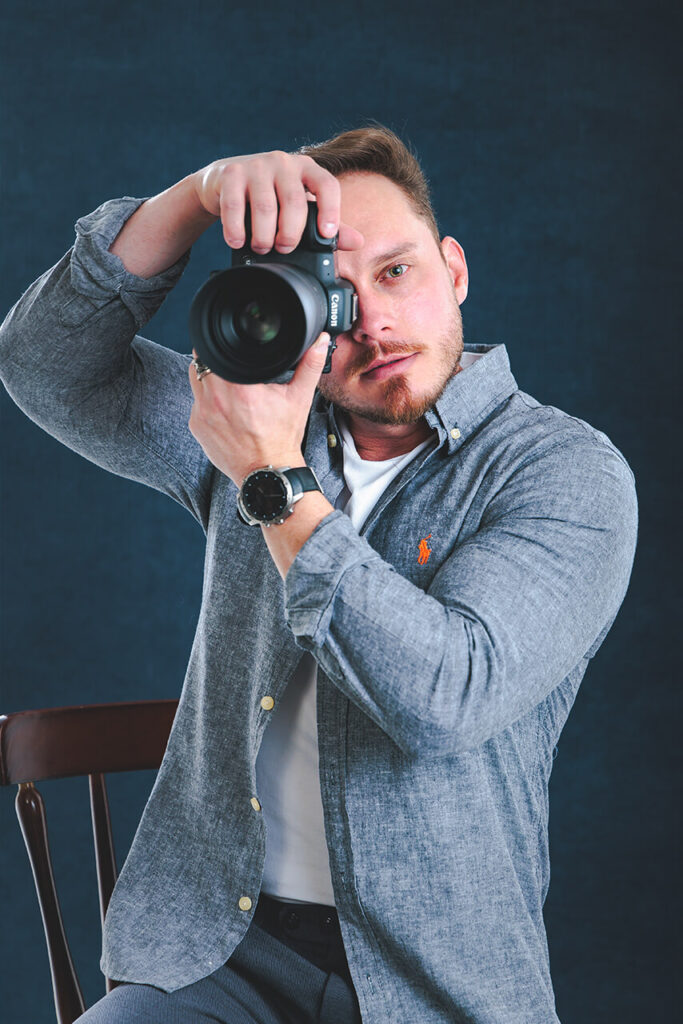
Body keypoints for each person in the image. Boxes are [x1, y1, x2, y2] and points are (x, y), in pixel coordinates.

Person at [0, 124, 638, 1024]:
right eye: (330, 293)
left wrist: (274, 482)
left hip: (436, 980)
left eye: (396, 271)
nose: (372, 322)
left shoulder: (561, 471)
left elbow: (444, 697)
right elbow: (43, 365)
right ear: (285, 309)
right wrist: (195, 195)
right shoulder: (255, 421)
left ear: (454, 270)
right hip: (218, 953)